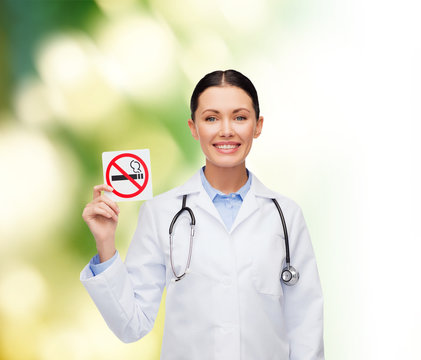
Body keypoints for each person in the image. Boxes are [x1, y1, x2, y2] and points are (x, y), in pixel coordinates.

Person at [80, 69, 324, 360]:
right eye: (211, 118)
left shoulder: (285, 216)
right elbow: (131, 325)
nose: (226, 130)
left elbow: (306, 325)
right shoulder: (161, 213)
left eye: (240, 117)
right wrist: (106, 243)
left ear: (257, 126)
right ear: (193, 128)